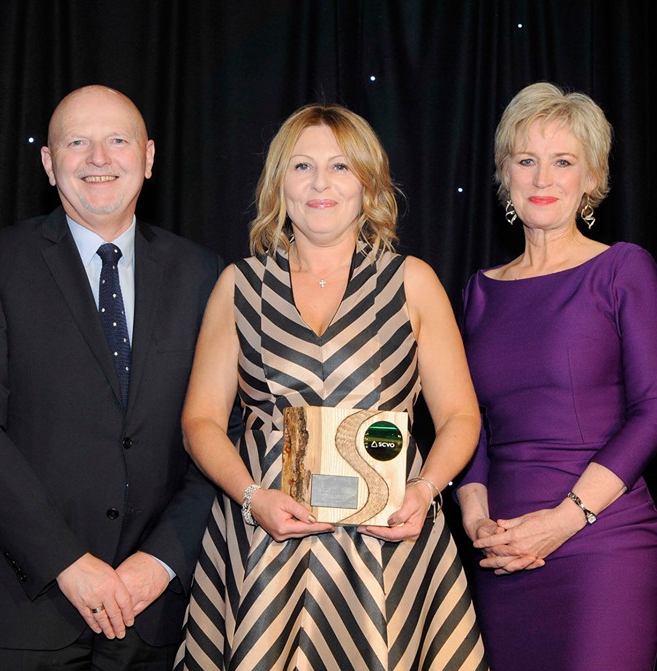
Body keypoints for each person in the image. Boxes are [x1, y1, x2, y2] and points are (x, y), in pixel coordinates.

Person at [173, 103, 487, 670]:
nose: (321, 183)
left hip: (390, 541)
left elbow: (461, 416)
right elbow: (200, 422)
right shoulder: (239, 286)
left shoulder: (413, 282)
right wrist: (252, 498)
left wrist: (425, 490)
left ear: (368, 184)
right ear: (279, 184)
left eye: (341, 167)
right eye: (302, 167)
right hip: (265, 540)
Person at [0, 85, 224, 670]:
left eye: (117, 140)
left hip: (157, 615)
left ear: (147, 157)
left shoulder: (204, 274)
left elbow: (226, 432)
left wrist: (161, 562)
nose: (99, 158)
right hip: (20, 608)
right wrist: (69, 563)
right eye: (78, 143)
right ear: (48, 163)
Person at [455, 81, 657, 670]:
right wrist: (476, 519)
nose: (543, 179)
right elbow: (467, 422)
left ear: (591, 178)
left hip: (603, 547)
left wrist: (564, 520)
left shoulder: (622, 269)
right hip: (504, 554)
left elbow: (655, 409)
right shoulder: (479, 292)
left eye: (563, 162)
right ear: (506, 174)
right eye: (526, 161)